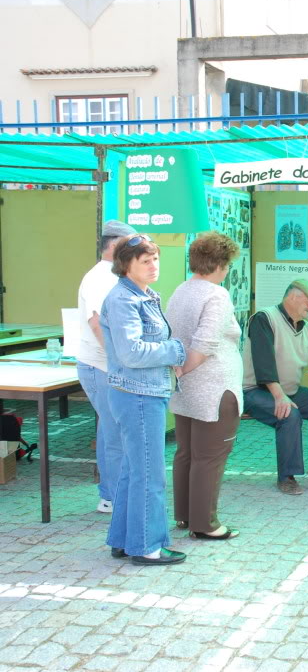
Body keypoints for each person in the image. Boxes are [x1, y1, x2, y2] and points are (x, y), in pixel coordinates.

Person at [101, 234, 187, 566]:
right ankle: (148, 546)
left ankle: (125, 540)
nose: (154, 266)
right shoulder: (125, 299)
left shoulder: (142, 295)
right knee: (149, 474)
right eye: (145, 261)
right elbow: (131, 352)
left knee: (133, 471)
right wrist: (175, 349)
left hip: (141, 392)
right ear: (126, 265)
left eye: (155, 259)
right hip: (137, 394)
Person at [166, 233, 242, 540]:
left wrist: (180, 373)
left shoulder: (181, 290)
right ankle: (206, 524)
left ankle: (185, 516)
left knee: (186, 453)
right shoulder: (216, 295)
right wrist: (186, 368)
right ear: (221, 264)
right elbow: (205, 343)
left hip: (185, 390)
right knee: (210, 457)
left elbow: (173, 336)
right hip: (214, 388)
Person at [242, 279, 308, 495]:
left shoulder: (307, 328)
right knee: (289, 415)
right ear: (292, 297)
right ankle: (287, 477)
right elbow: (264, 364)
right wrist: (280, 397)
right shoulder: (264, 319)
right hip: (255, 391)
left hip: (289, 391)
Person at [76, 219, 138, 514]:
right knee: (113, 431)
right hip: (102, 366)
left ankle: (112, 492)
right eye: (131, 246)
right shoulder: (101, 277)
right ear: (114, 245)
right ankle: (112, 496)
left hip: (106, 365)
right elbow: (98, 323)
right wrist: (119, 361)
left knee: (110, 429)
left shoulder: (112, 276)